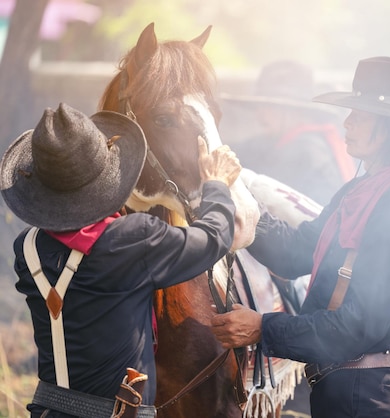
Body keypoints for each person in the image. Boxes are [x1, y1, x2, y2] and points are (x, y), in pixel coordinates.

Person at [208, 56, 390, 417]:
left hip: (364, 396)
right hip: (344, 391)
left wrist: (262, 328)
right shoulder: (361, 192)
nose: (347, 122)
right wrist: (242, 210)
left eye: (361, 115)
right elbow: (297, 252)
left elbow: (358, 325)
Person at [0, 103, 241, 418]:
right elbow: (212, 240)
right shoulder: (131, 238)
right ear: (104, 180)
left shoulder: (26, 248)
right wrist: (217, 185)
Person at [222, 60, 356, 205]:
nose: (260, 115)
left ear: (293, 111)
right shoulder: (292, 141)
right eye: (259, 107)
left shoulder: (304, 150)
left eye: (269, 107)